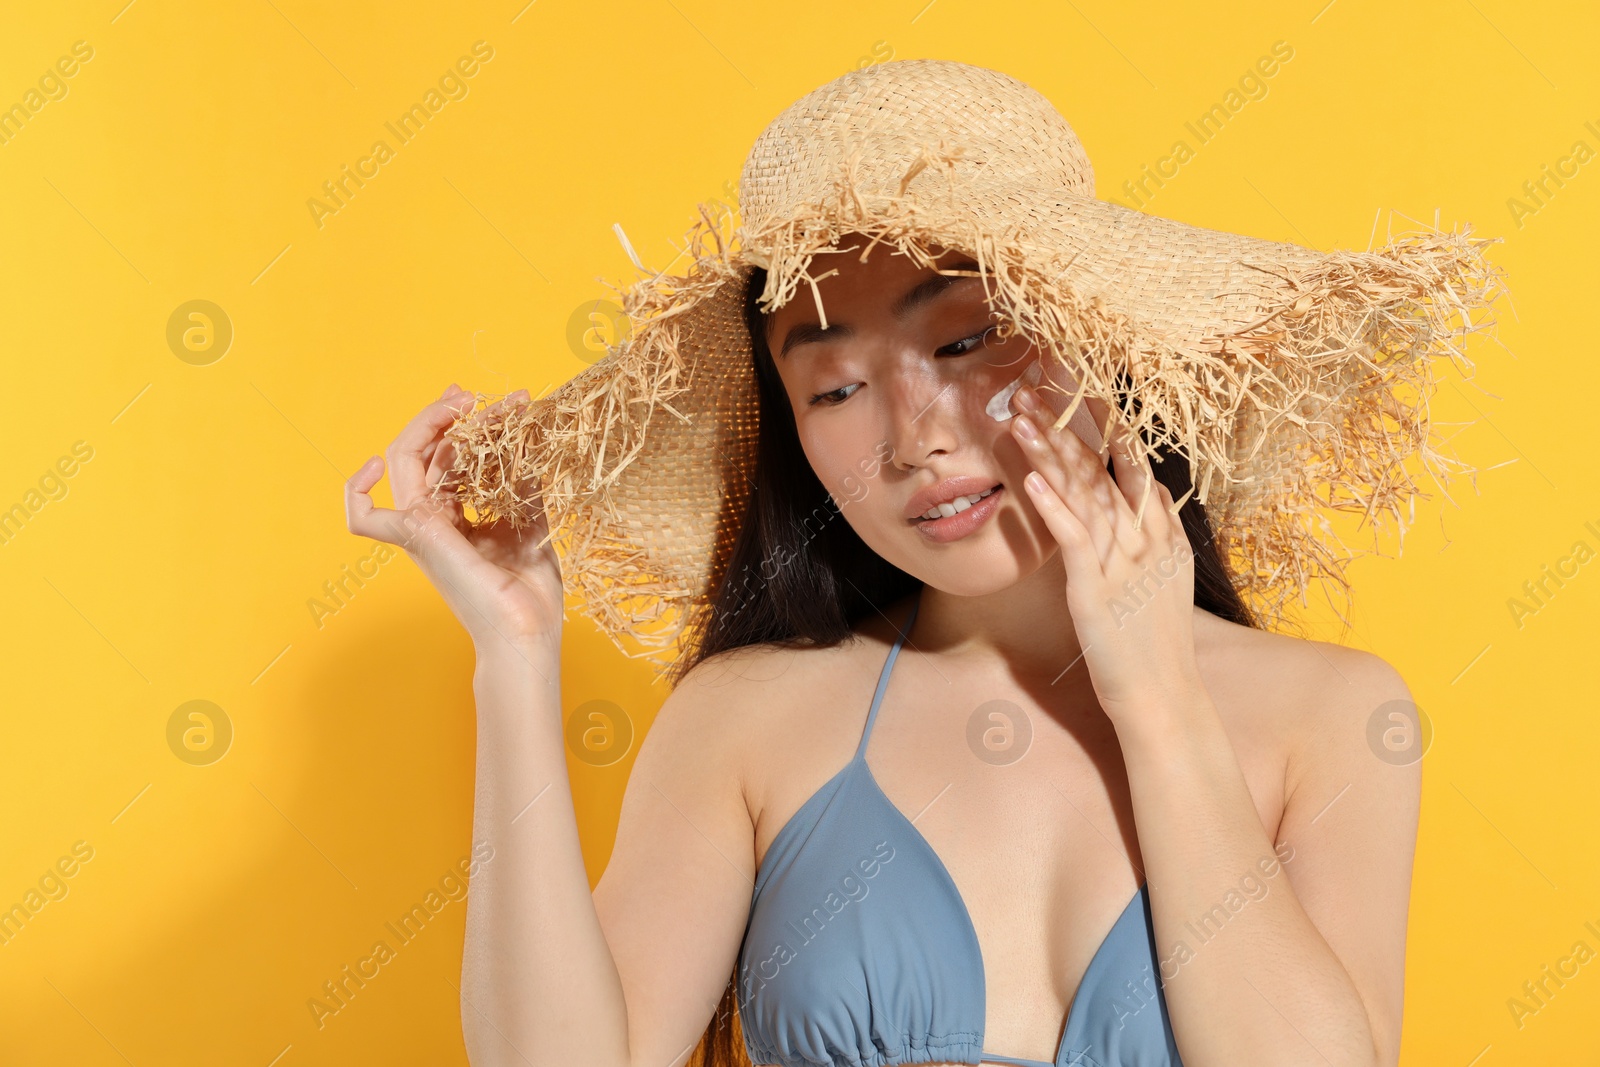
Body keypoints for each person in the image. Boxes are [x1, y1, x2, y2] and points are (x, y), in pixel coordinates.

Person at [344, 58, 1501, 1067]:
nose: (915, 434)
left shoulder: (1331, 714)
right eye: (835, 386)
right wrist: (512, 649)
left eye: (961, 340)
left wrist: (1154, 694)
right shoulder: (747, 719)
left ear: (1102, 338)